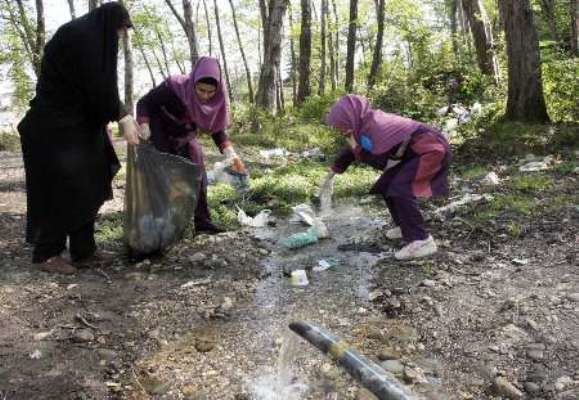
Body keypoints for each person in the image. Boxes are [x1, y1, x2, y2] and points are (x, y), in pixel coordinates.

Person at [17, 2, 140, 275]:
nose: (120, 36)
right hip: (53, 129)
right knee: (59, 190)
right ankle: (46, 254)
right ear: (110, 23)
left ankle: (84, 250)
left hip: (79, 127)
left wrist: (116, 113)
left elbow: (99, 86)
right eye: (120, 29)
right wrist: (122, 115)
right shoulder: (81, 37)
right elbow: (96, 84)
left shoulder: (92, 36)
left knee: (91, 181)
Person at [320, 95, 451, 260]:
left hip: (430, 149)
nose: (340, 128)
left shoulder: (376, 127)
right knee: (386, 185)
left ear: (351, 117)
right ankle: (405, 227)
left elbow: (379, 160)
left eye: (341, 123)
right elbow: (352, 151)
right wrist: (334, 170)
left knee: (400, 189)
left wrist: (356, 147)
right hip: (412, 153)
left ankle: (421, 240)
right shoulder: (362, 127)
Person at [136, 56, 246, 234]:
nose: (205, 96)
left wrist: (228, 151)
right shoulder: (173, 87)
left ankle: (202, 222)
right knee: (163, 177)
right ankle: (159, 224)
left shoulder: (216, 99)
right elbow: (144, 103)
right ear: (193, 81)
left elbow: (216, 127)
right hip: (159, 131)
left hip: (185, 134)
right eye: (201, 90)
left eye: (210, 92)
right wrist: (144, 124)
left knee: (198, 173)